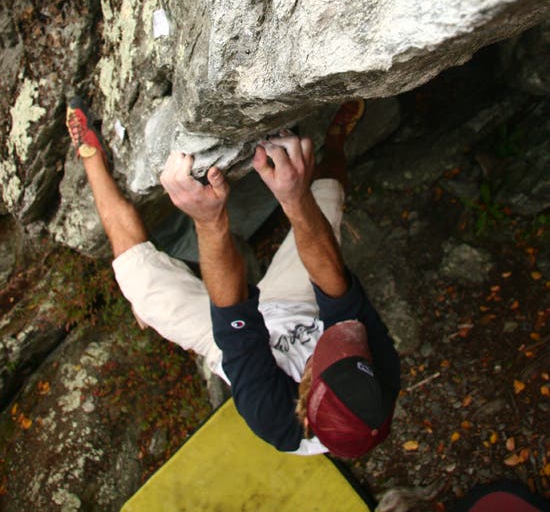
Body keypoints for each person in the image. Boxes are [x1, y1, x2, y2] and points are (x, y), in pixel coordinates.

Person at [66, 95, 400, 456]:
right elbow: (332, 280)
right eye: (352, 350)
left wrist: (209, 221)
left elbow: (233, 312)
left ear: (307, 392)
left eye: (331, 352)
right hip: (297, 306)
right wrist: (294, 197)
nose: (342, 337)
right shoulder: (379, 373)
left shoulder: (271, 414)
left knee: (136, 276)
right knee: (327, 199)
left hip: (226, 344)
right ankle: (335, 140)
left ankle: (90, 155)